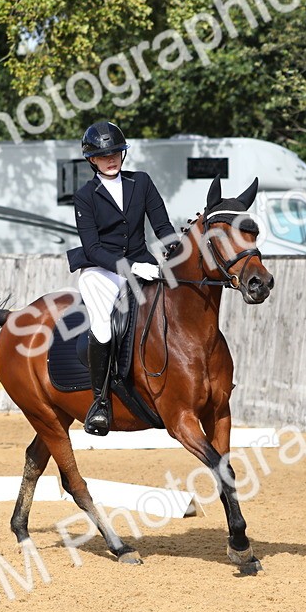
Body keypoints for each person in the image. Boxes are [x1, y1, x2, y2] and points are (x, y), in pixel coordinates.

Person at [66, 121, 176, 436]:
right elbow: (93, 247)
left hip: (143, 262)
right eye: (103, 155)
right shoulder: (85, 196)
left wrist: (175, 249)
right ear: (92, 160)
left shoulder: (141, 182)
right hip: (101, 270)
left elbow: (163, 225)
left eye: (116, 152)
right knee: (102, 326)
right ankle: (100, 403)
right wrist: (129, 267)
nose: (111, 159)